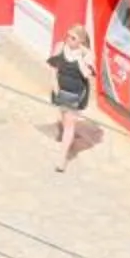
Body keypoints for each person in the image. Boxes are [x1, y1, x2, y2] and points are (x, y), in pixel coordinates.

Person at [48, 28, 94, 170]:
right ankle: (69, 137)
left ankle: (62, 159)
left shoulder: (87, 54)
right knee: (63, 117)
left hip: (75, 93)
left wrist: (80, 57)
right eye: (68, 35)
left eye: (73, 38)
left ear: (81, 41)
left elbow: (87, 75)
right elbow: (53, 69)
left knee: (69, 124)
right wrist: (55, 86)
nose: (69, 39)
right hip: (60, 90)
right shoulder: (60, 46)